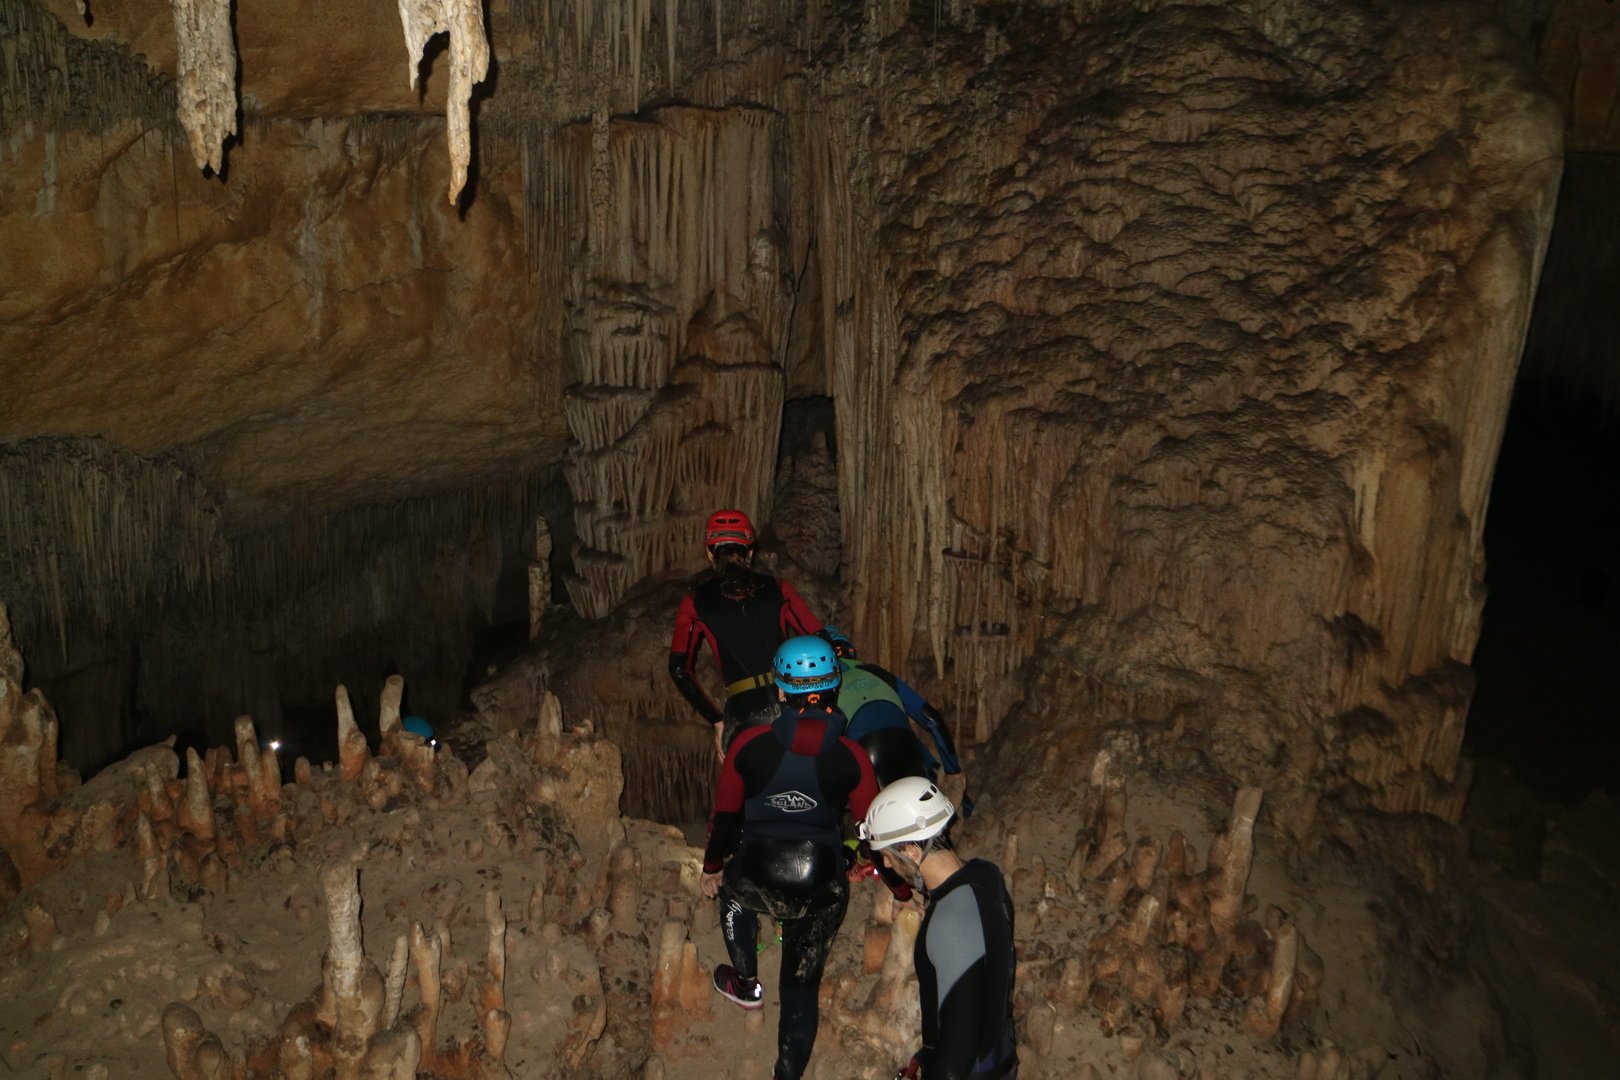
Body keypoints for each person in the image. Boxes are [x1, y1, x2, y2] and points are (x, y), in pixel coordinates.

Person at [700, 635, 880, 1080]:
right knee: (801, 985)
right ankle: (787, 1074)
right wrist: (877, 872)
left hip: (757, 869)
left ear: (780, 691)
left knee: (733, 893)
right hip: (820, 881)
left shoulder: (747, 744)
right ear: (834, 688)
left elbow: (724, 815)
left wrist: (711, 867)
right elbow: (871, 827)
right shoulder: (852, 754)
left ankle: (745, 985)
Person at [860, 777, 1018, 1080]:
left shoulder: (950, 923)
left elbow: (955, 1062)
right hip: (997, 1056)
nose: (888, 865)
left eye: (889, 856)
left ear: (912, 851)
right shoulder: (986, 875)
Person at [669, 509, 824, 759]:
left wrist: (716, 721)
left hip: (743, 713)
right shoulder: (777, 589)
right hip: (789, 702)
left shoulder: (695, 601)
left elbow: (678, 668)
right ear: (750, 552)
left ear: (710, 553)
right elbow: (819, 638)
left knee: (749, 791)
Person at [817, 626, 963, 788]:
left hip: (864, 756)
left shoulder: (823, 689)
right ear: (850, 651)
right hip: (908, 747)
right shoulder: (878, 672)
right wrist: (953, 772)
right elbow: (932, 719)